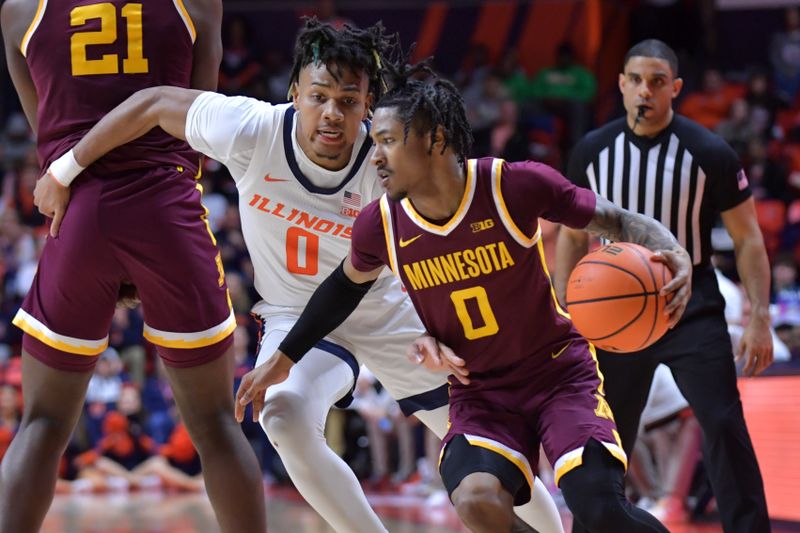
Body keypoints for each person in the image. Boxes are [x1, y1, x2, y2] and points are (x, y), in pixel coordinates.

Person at [32, 19, 563, 533]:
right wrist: (63, 169)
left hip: (390, 311)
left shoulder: (390, 161)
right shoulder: (250, 127)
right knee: (282, 415)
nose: (332, 114)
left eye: (349, 102)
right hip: (297, 319)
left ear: (368, 107)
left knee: (484, 450)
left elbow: (443, 243)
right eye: (319, 96)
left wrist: (437, 323)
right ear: (294, 92)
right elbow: (149, 103)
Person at [235, 58, 694, 533]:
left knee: (597, 507)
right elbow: (343, 288)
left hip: (557, 373)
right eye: (375, 145)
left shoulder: (512, 186)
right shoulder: (381, 223)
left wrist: (669, 247)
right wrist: (285, 357)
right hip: (481, 394)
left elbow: (614, 218)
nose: (375, 158)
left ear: (435, 139)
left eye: (388, 142)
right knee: (476, 501)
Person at [0, 1, 266, 532]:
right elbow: (199, 118)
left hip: (75, 216)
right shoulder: (197, 3)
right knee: (215, 425)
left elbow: (49, 137)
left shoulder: (18, 11)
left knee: (44, 423)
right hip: (167, 208)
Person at [554, 39, 773, 533]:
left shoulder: (709, 151)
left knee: (721, 423)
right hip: (614, 308)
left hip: (690, 301)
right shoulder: (591, 151)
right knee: (608, 435)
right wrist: (565, 302)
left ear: (675, 88)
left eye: (657, 82)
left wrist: (758, 317)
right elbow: (570, 236)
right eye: (635, 80)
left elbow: (748, 238)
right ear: (621, 84)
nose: (644, 91)